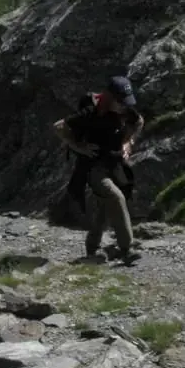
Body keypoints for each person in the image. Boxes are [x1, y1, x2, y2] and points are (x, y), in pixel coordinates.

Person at [54, 76, 144, 264]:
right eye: (120, 102)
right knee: (115, 197)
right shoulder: (90, 112)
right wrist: (79, 147)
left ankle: (92, 247)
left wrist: (128, 142)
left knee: (105, 206)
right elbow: (60, 127)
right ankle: (127, 249)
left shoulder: (125, 110)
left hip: (114, 163)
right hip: (93, 167)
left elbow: (138, 122)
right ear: (110, 98)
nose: (124, 107)